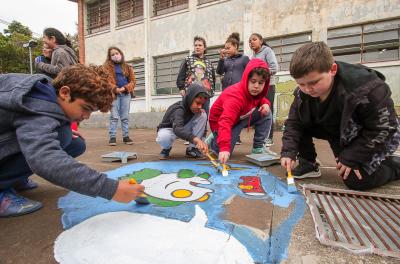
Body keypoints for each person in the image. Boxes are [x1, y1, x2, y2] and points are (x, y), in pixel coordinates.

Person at [0, 64, 145, 217]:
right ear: (65, 93)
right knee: (61, 135)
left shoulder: (46, 93)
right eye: (86, 108)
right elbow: (46, 160)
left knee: (73, 142)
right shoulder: (35, 105)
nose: (86, 116)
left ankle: (13, 178)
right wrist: (112, 189)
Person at [280, 41, 400, 190]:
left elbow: (384, 128)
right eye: (301, 84)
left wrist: (352, 156)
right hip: (335, 132)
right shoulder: (302, 93)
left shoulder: (367, 88)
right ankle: (308, 164)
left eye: (313, 82)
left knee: (357, 180)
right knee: (299, 122)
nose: (307, 89)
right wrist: (288, 152)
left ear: (333, 69)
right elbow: (294, 123)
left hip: (365, 136)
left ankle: (395, 165)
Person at [208, 59, 273, 164]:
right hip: (223, 122)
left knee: (266, 112)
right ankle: (214, 138)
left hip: (239, 118)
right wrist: (224, 148)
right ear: (246, 79)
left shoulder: (254, 92)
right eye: (253, 81)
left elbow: (259, 99)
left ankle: (258, 148)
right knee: (221, 152)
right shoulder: (235, 97)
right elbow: (225, 121)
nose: (256, 86)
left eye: (261, 83)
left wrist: (266, 104)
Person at [156, 84, 209, 160]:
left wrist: (202, 140)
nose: (200, 106)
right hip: (170, 130)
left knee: (203, 114)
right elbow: (177, 128)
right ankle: (166, 148)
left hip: (183, 128)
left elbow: (203, 127)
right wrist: (196, 139)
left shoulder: (196, 110)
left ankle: (192, 149)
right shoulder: (178, 109)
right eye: (198, 103)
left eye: (202, 104)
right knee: (164, 137)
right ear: (190, 99)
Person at [249, 33, 279, 147]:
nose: (251, 42)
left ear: (261, 41)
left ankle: (269, 138)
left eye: (254, 39)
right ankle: (261, 137)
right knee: (258, 110)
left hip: (268, 86)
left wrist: (262, 75)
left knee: (268, 110)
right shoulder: (253, 56)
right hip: (257, 88)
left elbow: (274, 68)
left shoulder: (267, 51)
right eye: (250, 41)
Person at [103, 46, 136, 146]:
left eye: (117, 53)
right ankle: (112, 137)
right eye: (112, 54)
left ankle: (126, 137)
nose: (115, 56)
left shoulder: (127, 67)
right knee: (114, 116)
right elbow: (106, 81)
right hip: (114, 95)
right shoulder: (106, 68)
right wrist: (115, 89)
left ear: (120, 54)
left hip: (126, 94)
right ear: (109, 57)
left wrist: (125, 88)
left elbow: (133, 81)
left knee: (125, 117)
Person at [176, 36, 215, 116]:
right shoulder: (188, 59)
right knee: (188, 116)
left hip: (205, 94)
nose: (197, 47)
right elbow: (181, 74)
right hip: (190, 94)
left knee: (204, 115)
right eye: (196, 45)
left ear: (204, 48)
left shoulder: (209, 62)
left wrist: (212, 90)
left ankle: (203, 129)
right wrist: (181, 88)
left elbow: (212, 78)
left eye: (200, 45)